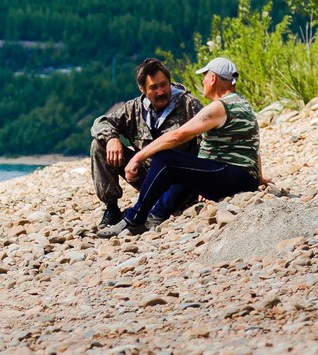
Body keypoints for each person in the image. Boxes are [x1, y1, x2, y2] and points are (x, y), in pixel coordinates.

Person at [97, 56, 265, 238]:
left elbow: (178, 135)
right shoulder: (240, 102)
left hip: (231, 176)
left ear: (213, 79)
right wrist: (259, 176)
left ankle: (136, 218)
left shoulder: (218, 107)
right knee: (165, 160)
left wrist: (138, 157)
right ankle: (131, 212)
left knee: (165, 159)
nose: (203, 81)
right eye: (153, 87)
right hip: (240, 176)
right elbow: (251, 145)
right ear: (142, 89)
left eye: (205, 76)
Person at [87, 58, 205, 228]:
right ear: (142, 89)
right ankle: (111, 209)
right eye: (154, 88)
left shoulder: (189, 105)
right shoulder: (134, 109)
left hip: (182, 180)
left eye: (164, 85)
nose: (161, 91)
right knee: (99, 146)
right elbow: (101, 122)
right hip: (147, 177)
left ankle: (152, 211)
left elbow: (208, 141)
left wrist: (205, 184)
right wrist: (112, 138)